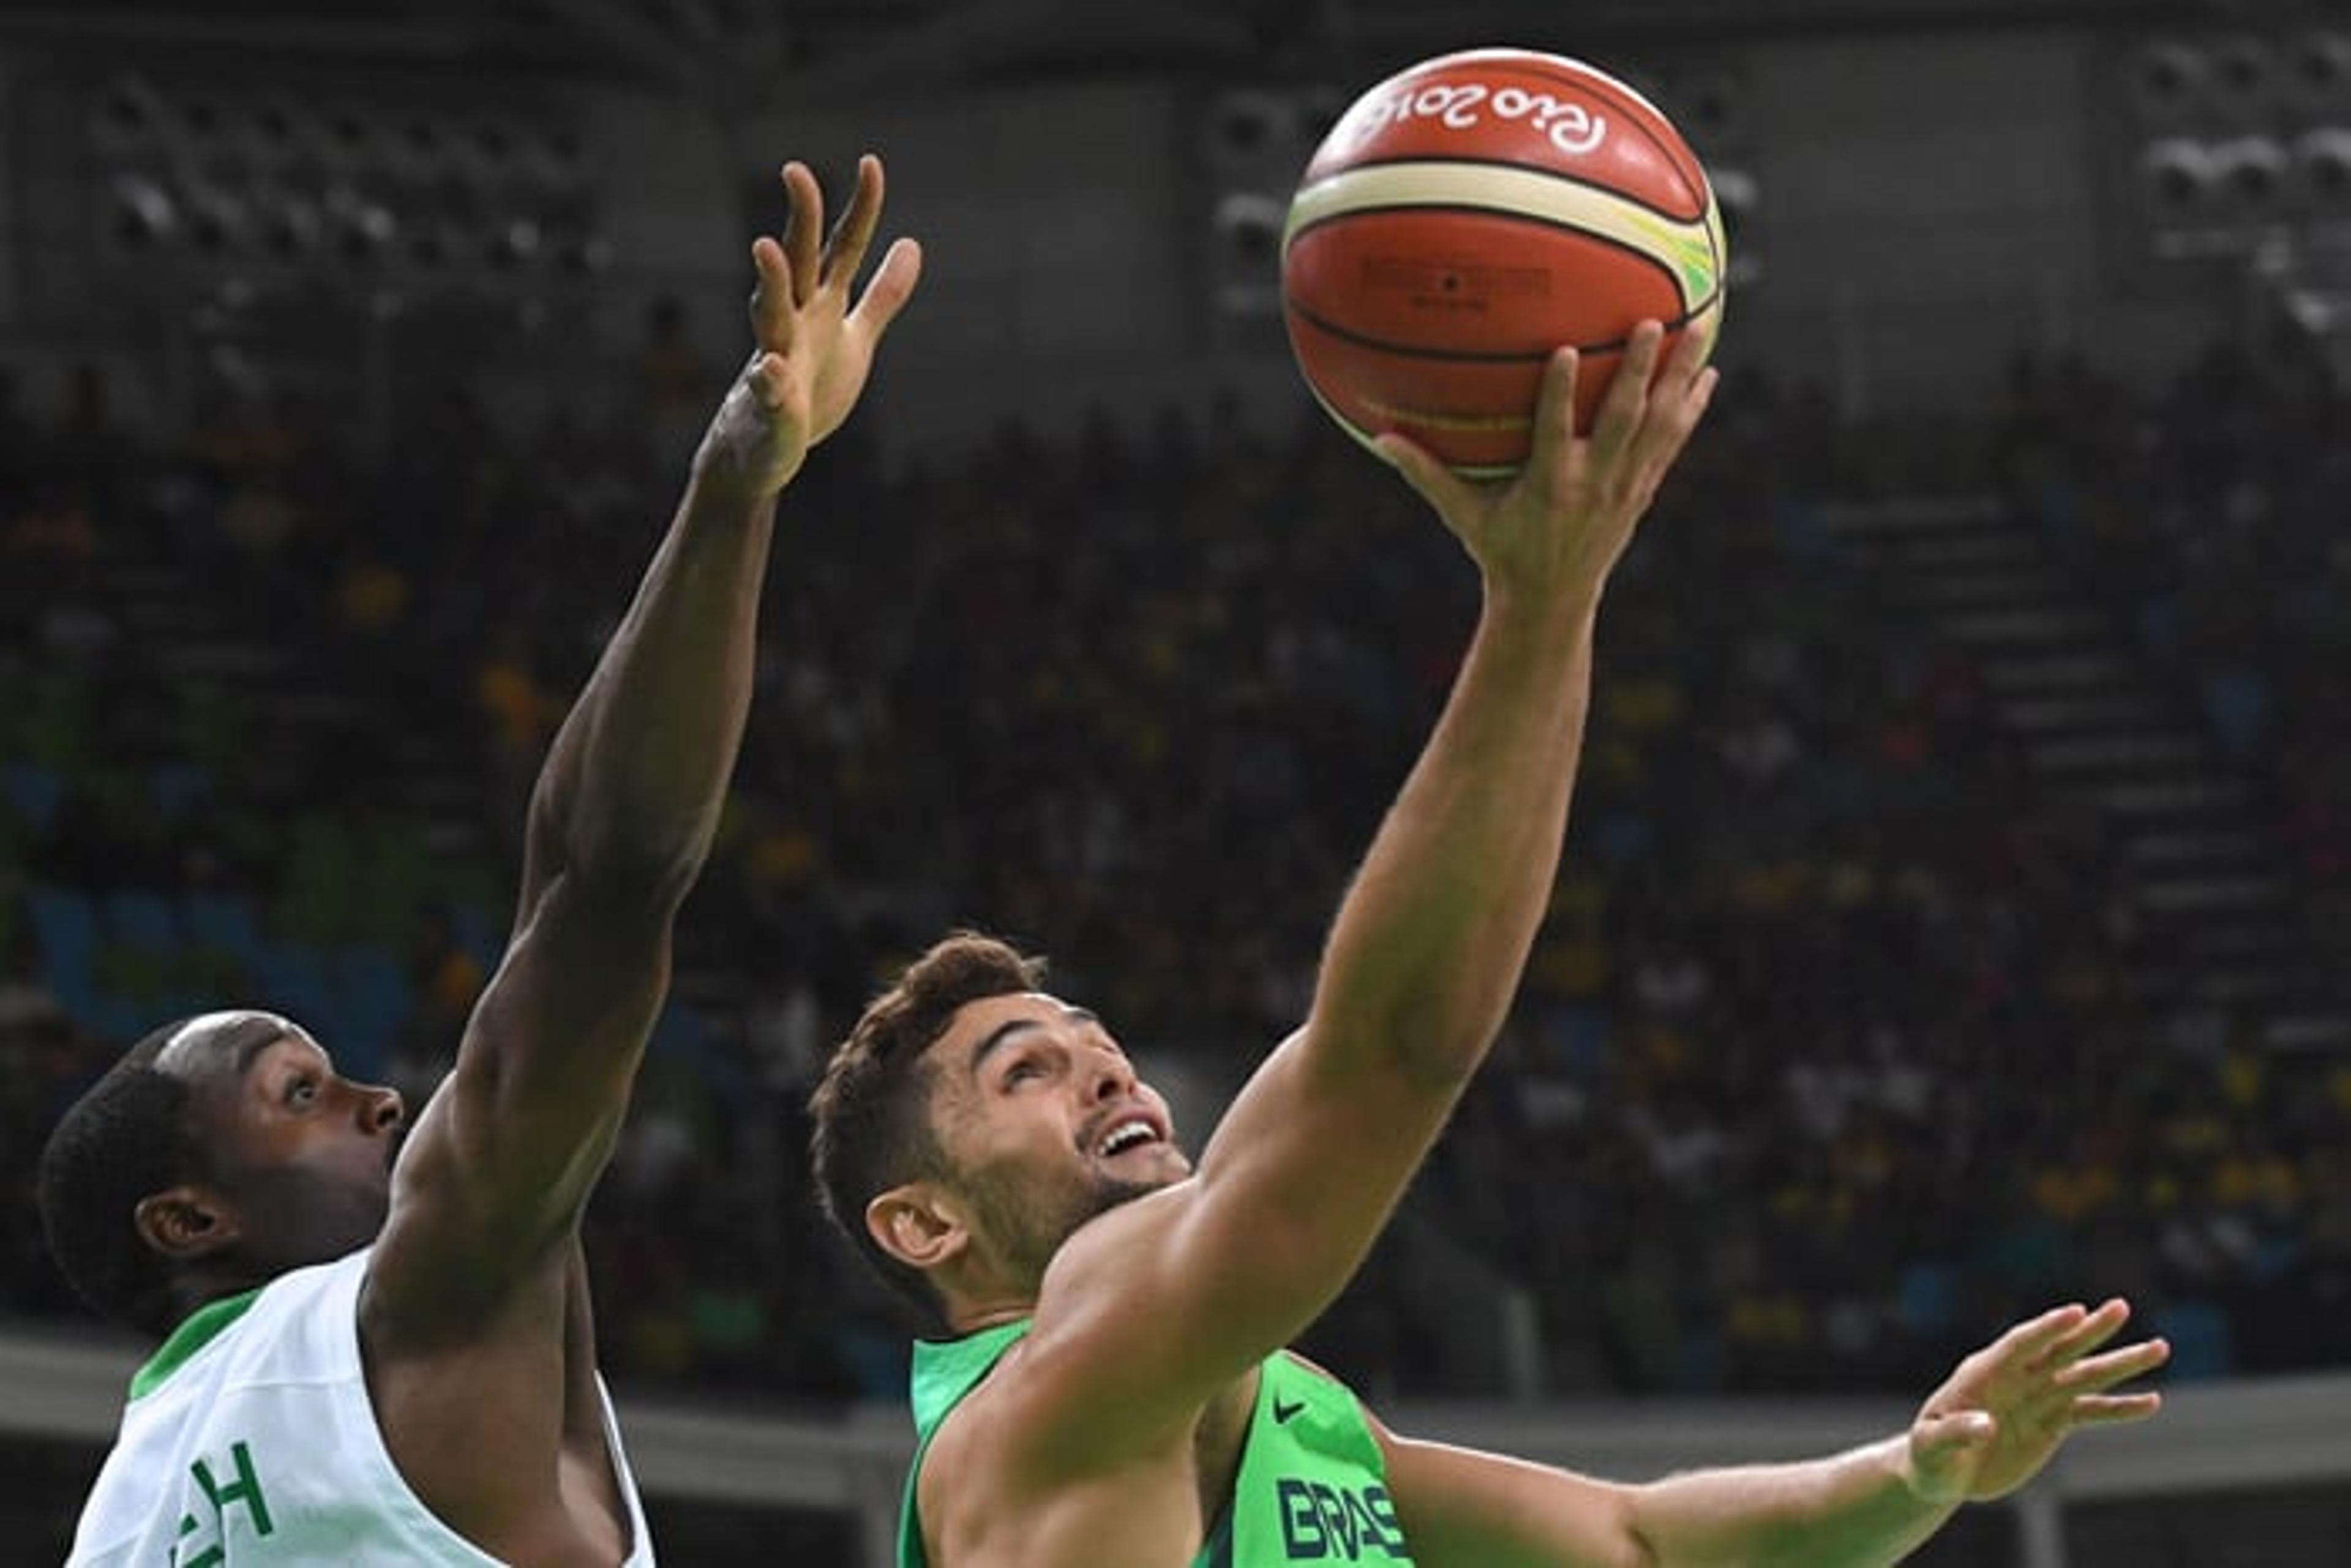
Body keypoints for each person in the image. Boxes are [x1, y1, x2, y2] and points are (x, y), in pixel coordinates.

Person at [808, 323, 2170, 1567]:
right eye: (1024, 1073)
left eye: (1098, 1047)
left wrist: (1921, 1470)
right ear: (923, 1222)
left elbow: (1643, 1548)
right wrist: (1541, 603)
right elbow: (1391, 1056)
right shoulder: (1050, 1389)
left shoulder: (1287, 1414)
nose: (1109, 1074)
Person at [39, 152, 921, 1565]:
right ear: (191, 1215)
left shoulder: (124, 1517)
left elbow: (564, 881)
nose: (382, 1098)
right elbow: (605, 880)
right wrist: (735, 490)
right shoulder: (409, 1309)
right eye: (301, 1093)